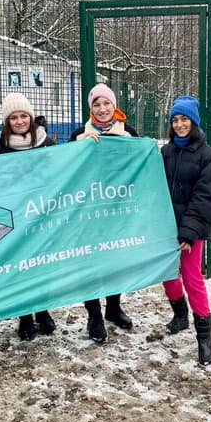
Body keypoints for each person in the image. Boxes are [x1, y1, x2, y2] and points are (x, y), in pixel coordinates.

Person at [68, 83, 138, 343]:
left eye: (106, 103)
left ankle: (113, 307)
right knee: (89, 262)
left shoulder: (128, 133)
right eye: (96, 104)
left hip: (117, 208)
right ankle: (94, 314)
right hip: (87, 210)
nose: (102, 108)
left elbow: (138, 166)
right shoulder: (79, 134)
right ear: (91, 109)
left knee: (115, 259)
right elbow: (67, 171)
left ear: (114, 105)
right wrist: (80, 149)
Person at [0, 93, 57, 341]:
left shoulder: (46, 143)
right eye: (13, 117)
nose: (19, 121)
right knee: (20, 267)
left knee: (41, 265)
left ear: (31, 117)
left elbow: (60, 172)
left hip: (41, 214)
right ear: (7, 121)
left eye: (23, 116)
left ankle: (43, 310)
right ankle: (25, 315)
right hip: (14, 216)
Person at [160, 96, 211, 366]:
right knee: (166, 274)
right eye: (175, 120)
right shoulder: (165, 152)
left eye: (184, 119)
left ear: (194, 122)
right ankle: (180, 315)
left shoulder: (208, 157)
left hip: (190, 231)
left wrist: (189, 232)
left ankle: (204, 337)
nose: (179, 124)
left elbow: (207, 198)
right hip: (165, 226)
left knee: (191, 277)